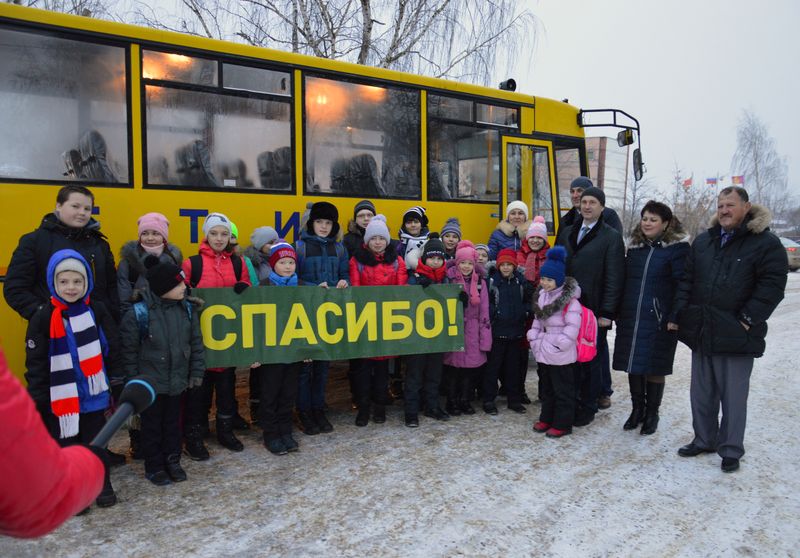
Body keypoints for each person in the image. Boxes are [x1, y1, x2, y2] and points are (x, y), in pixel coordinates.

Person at [671, 187, 787, 473]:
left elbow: (771, 287)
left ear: (746, 207)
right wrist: (681, 314)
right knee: (701, 392)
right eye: (721, 205)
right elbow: (687, 280)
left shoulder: (766, 243)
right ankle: (704, 439)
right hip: (702, 329)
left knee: (733, 396)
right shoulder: (705, 241)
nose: (723, 210)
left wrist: (747, 319)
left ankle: (731, 449)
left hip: (737, 333)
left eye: (730, 205)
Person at [24, 249, 120, 508]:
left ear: (86, 282)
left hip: (93, 396)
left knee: (95, 442)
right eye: (64, 282)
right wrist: (39, 396)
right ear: (53, 283)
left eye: (77, 281)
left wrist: (117, 380)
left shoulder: (96, 311)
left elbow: (112, 347)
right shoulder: (44, 317)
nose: (71, 287)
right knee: (67, 446)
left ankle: (101, 484)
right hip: (61, 398)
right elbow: (36, 362)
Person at [0, 347, 106, 538]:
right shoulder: (42, 320)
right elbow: (35, 500)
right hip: (60, 402)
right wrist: (90, 461)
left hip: (90, 394)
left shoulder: (93, 315)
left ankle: (104, 489)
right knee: (68, 439)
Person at [119, 256, 204, 485]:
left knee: (173, 424)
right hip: (150, 385)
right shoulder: (138, 314)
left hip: (177, 380)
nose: (184, 287)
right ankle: (154, 466)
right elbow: (129, 352)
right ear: (163, 287)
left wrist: (195, 372)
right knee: (152, 427)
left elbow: (196, 343)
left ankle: (173, 460)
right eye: (178, 284)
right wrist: (134, 384)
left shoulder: (187, 310)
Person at [612, 201, 689, 435]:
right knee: (634, 364)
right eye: (645, 218)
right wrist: (619, 312)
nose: (647, 223)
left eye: (653, 219)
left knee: (655, 366)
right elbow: (624, 281)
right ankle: (637, 410)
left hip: (660, 318)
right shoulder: (634, 248)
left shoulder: (678, 249)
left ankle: (652, 413)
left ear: (666, 223)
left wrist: (675, 315)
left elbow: (683, 285)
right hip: (632, 315)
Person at [181, 212, 251, 458]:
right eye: (214, 233)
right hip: (200, 339)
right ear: (206, 235)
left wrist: (245, 289)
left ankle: (225, 430)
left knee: (226, 387)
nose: (219, 239)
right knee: (199, 389)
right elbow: (182, 294)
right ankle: (195, 435)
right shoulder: (192, 263)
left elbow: (247, 292)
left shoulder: (238, 263)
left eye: (224, 234)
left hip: (227, 338)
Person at [556, 186, 624, 426]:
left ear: (602, 207)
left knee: (590, 359)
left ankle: (588, 405)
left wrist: (607, 312)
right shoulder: (567, 232)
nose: (586, 206)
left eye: (592, 202)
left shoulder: (610, 236)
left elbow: (615, 276)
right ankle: (570, 401)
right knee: (569, 358)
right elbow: (556, 266)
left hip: (592, 311)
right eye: (584, 202)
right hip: (565, 307)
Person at [117, 212, 183, 459]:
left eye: (156, 233)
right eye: (146, 232)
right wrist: (135, 322)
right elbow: (123, 300)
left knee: (168, 406)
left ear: (164, 236)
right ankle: (140, 443)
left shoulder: (173, 257)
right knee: (144, 393)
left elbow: (180, 294)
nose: (151, 237)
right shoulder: (129, 263)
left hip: (167, 327)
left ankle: (168, 451)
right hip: (142, 327)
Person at [5, 185, 120, 322]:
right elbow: (15, 289)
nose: (82, 213)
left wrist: (111, 315)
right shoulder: (34, 241)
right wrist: (43, 314)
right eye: (75, 206)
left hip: (97, 326)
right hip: (54, 331)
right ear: (58, 206)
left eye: (87, 209)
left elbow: (112, 286)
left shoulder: (100, 244)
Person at [295, 201, 349, 435]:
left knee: (323, 367)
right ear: (311, 223)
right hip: (305, 316)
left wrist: (345, 282)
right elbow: (290, 278)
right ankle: (304, 411)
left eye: (328, 223)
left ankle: (319, 408)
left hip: (329, 317)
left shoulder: (339, 249)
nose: (324, 227)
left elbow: (345, 274)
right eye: (320, 222)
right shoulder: (299, 248)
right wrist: (313, 287)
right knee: (305, 368)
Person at [349, 214, 408, 426]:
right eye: (373, 238)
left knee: (383, 370)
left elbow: (401, 291)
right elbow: (355, 291)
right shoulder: (357, 261)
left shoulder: (397, 261)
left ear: (387, 240)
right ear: (367, 241)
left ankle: (380, 406)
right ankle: (363, 407)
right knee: (363, 368)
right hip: (364, 323)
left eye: (381, 238)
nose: (377, 242)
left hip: (386, 323)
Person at [253, 241, 304, 455]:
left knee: (288, 393)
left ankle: (285, 430)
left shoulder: (300, 287)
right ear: (274, 264)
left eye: (291, 262)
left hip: (293, 352)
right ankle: (270, 434)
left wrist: (308, 349)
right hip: (271, 352)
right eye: (283, 262)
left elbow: (308, 320)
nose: (287, 266)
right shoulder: (263, 286)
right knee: (270, 393)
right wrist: (255, 352)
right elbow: (254, 321)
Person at [528, 246, 581, 438]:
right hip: (544, 349)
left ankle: (563, 423)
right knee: (547, 388)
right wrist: (533, 337)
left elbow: (573, 326)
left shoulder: (570, 301)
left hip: (561, 352)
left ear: (558, 280)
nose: (545, 283)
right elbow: (537, 319)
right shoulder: (541, 296)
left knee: (563, 390)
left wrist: (561, 343)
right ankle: (547, 418)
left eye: (549, 280)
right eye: (543, 279)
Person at [404, 233, 451, 426]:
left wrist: (459, 299)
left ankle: (432, 406)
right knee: (414, 374)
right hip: (416, 335)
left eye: (439, 258)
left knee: (434, 373)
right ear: (424, 258)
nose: (435, 261)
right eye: (432, 257)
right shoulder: (414, 277)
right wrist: (417, 286)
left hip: (437, 335)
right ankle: (411, 411)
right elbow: (404, 299)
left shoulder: (445, 279)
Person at [482, 248, 534, 415]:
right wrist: (494, 315)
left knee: (513, 369)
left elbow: (528, 300)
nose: (505, 268)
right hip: (497, 332)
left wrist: (525, 312)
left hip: (516, 332)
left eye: (508, 264)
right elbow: (487, 303)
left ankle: (514, 400)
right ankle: (489, 399)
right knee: (493, 368)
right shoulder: (492, 281)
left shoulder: (520, 281)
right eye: (502, 264)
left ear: (514, 266)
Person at [443, 241, 492, 416]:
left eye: (470, 263)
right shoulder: (448, 279)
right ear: (457, 263)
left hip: (473, 330)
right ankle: (451, 400)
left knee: (469, 371)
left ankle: (465, 399)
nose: (466, 266)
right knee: (453, 370)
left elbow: (484, 310)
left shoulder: (480, 283)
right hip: (454, 329)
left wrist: (485, 337)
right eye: (462, 263)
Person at [241, 225, 279, 424]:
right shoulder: (250, 262)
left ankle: (271, 405)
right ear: (259, 244)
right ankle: (256, 406)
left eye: (275, 241)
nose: (273, 245)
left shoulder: (277, 259)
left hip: (277, 318)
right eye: (269, 242)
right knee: (258, 366)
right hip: (259, 318)